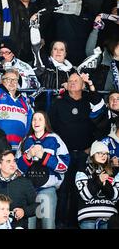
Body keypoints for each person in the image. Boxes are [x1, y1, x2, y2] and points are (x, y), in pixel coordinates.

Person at [50, 72, 106, 228]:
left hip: (84, 154)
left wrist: (92, 148)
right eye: (70, 81)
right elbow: (51, 128)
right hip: (64, 155)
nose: (73, 83)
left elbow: (101, 115)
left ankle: (75, 224)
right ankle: (60, 224)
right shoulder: (58, 104)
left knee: (79, 191)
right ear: (66, 85)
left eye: (77, 81)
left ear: (82, 85)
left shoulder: (89, 101)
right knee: (62, 191)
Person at [17, 111, 70, 229]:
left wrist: (44, 156)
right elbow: (17, 170)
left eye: (40, 119)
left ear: (46, 122)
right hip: (27, 191)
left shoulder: (55, 139)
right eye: (34, 119)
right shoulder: (25, 141)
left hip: (47, 189)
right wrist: (28, 156)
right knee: (28, 226)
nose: (36, 122)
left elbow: (64, 166)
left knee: (48, 225)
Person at [0, 61, 34, 151]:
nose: (12, 82)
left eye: (15, 80)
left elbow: (29, 125)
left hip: (19, 149)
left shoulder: (24, 101)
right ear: (2, 80)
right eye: (8, 79)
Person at [0, 150, 37, 229]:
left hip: (19, 226)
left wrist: (24, 211)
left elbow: (37, 205)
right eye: (8, 161)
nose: (12, 164)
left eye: (14, 161)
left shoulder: (25, 183)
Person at [75, 140, 119, 229]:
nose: (103, 156)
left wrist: (105, 184)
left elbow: (116, 197)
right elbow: (85, 196)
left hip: (109, 218)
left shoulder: (114, 172)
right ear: (93, 154)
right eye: (99, 153)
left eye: (106, 153)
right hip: (88, 217)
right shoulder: (83, 171)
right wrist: (98, 180)